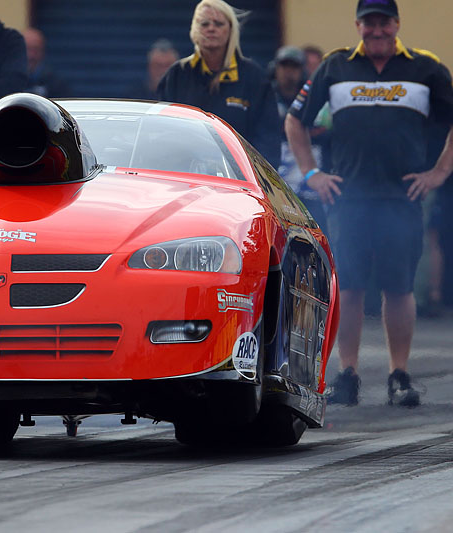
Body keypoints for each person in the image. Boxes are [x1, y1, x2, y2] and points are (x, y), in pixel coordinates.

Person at [285, 0, 453, 407]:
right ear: (358, 25)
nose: (377, 30)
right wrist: (311, 173)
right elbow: (295, 121)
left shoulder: (426, 68)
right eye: (369, 22)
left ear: (396, 24)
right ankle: (348, 374)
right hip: (349, 198)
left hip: (402, 197)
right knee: (350, 286)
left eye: (384, 22)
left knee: (399, 288)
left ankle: (399, 375)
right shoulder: (335, 66)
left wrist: (439, 173)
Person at [157, 0, 280, 167]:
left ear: (231, 30)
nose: (211, 28)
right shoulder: (177, 75)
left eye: (218, 23)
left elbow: (269, 139)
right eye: (204, 23)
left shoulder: (254, 77)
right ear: (195, 29)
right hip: (184, 172)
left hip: (239, 175)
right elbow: (161, 131)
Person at [271, 45, 327, 231]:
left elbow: (324, 130)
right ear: (275, 68)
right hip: (276, 178)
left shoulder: (313, 97)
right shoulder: (266, 95)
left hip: (309, 180)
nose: (288, 72)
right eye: (284, 66)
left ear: (301, 70)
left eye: (294, 67)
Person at [22, 27, 70, 98]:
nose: (31, 55)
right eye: (27, 49)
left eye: (36, 49)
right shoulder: (8, 80)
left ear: (43, 51)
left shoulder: (55, 83)